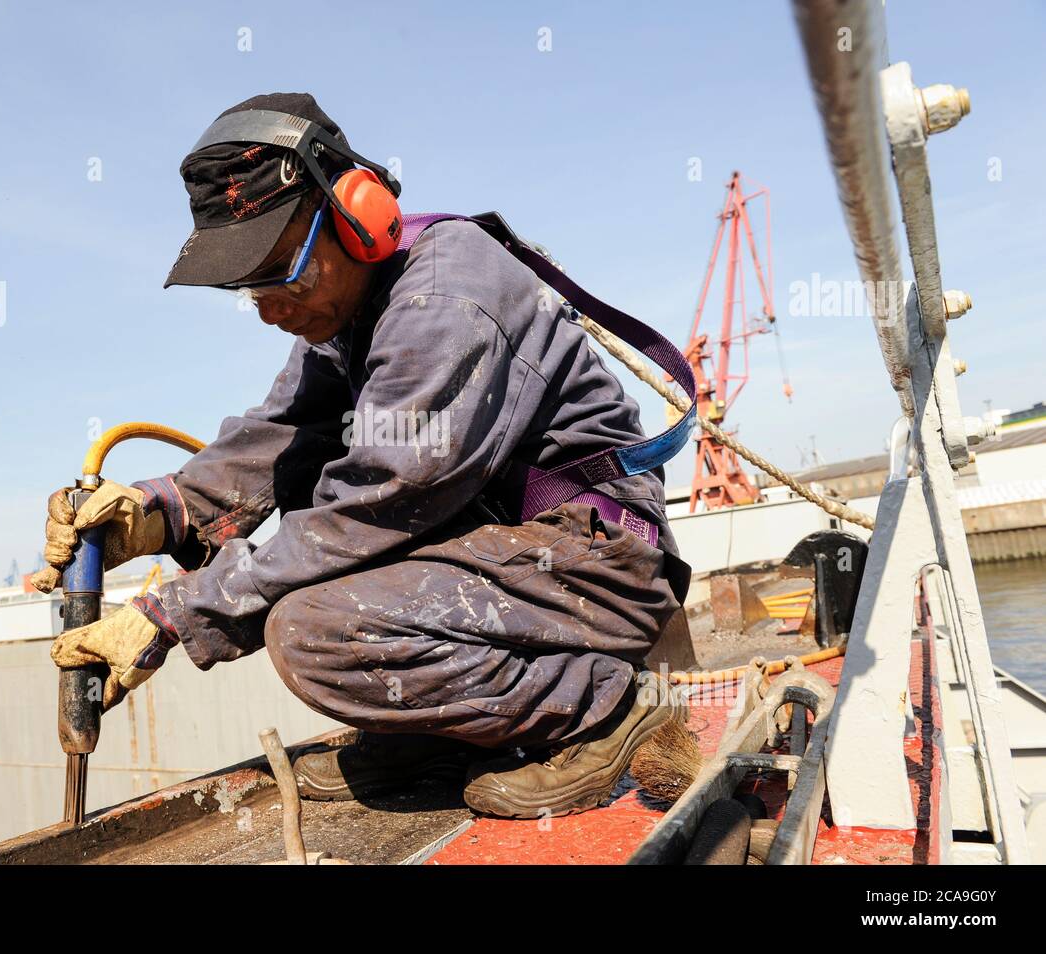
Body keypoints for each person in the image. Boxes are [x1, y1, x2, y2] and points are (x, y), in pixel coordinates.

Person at [35, 92, 691, 818]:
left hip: (587, 563)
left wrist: (174, 611)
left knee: (316, 632)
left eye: (282, 271)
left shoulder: (443, 301)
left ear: (358, 214)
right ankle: (441, 738)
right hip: (499, 548)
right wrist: (159, 512)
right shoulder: (349, 313)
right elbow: (282, 437)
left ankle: (605, 713)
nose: (268, 308)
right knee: (306, 554)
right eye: (248, 286)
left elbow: (377, 498)